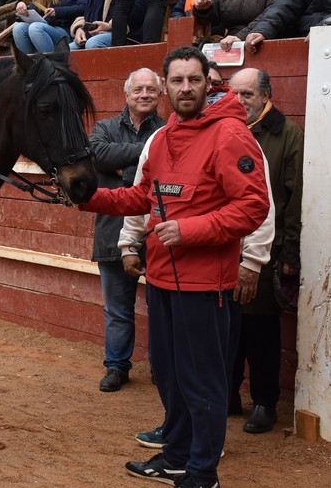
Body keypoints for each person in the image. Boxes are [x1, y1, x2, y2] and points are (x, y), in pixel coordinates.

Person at [81, 46, 270, 488]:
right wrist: (85, 195)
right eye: (177, 81)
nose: (185, 88)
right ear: (165, 87)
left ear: (208, 83)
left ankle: (203, 474)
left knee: (201, 383)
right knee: (168, 374)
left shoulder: (230, 135)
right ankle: (177, 456)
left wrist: (191, 230)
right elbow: (138, 197)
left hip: (205, 285)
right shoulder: (163, 138)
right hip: (163, 278)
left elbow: (253, 206)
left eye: (194, 80)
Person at [228, 68, 303, 435]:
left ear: (266, 94)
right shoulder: (229, 131)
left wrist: (289, 254)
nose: (240, 101)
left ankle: (264, 402)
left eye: (247, 94)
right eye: (234, 94)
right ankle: (228, 395)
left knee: (261, 331)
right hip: (227, 248)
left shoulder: (288, 136)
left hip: (266, 253)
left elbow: (294, 199)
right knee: (230, 327)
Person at [89, 68, 166, 392]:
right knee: (118, 309)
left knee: (164, 311)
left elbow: (109, 159)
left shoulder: (168, 129)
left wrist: (124, 167)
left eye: (151, 89)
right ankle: (117, 367)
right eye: (139, 89)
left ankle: (164, 369)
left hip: (160, 235)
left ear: (160, 94)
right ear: (127, 93)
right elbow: (95, 154)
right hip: (112, 231)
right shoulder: (105, 127)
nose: (145, 94)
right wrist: (148, 156)